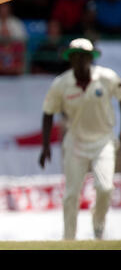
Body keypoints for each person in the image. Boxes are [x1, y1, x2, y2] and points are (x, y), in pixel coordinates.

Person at [39, 38, 121, 240]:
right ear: (71, 58)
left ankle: (98, 224)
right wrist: (45, 146)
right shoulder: (61, 84)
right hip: (75, 143)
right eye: (76, 56)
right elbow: (48, 113)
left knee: (105, 188)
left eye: (85, 56)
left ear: (91, 58)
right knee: (71, 195)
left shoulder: (107, 77)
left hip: (103, 141)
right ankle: (69, 239)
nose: (81, 60)